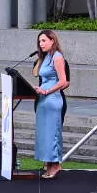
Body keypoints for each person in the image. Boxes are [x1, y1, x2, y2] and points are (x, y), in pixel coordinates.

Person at [32, 30, 70, 179]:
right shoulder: (45, 57)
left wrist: (47, 91)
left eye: (44, 41)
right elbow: (37, 74)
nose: (41, 44)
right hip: (43, 100)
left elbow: (63, 81)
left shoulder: (58, 57)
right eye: (39, 41)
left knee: (52, 133)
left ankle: (55, 165)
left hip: (52, 98)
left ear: (52, 40)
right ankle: (48, 164)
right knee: (45, 134)